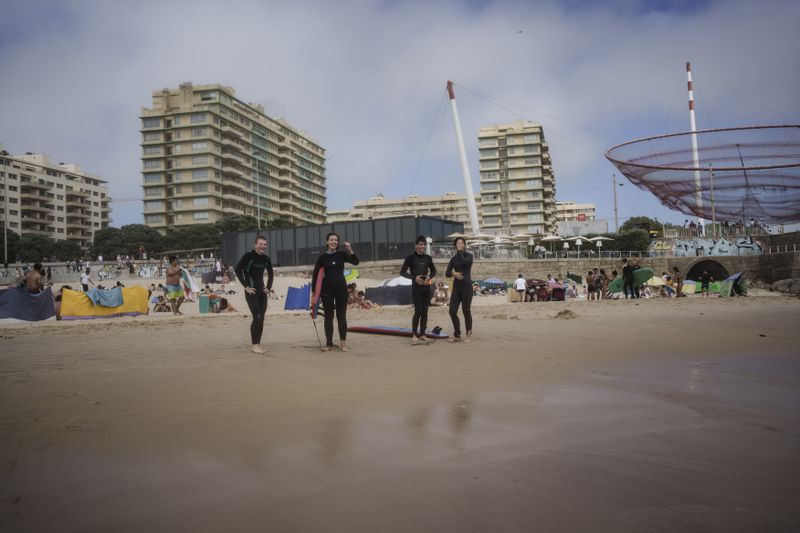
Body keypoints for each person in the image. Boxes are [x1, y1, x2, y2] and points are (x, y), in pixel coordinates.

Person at [311, 232, 359, 352]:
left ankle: (343, 343)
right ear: (327, 242)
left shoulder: (342, 254)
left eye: (336, 240)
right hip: (326, 290)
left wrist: (350, 249)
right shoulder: (322, 258)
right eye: (331, 240)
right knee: (328, 316)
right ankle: (329, 343)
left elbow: (356, 262)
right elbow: (316, 276)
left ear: (338, 242)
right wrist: (314, 293)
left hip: (341, 290)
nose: (334, 242)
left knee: (341, 316)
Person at [235, 235, 274, 354]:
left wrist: (268, 287)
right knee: (257, 316)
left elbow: (271, 274)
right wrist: (246, 286)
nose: (262, 246)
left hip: (262, 292)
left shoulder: (266, 259)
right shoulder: (248, 256)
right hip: (251, 292)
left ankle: (258, 343)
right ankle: (254, 345)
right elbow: (238, 270)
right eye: (260, 244)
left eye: (264, 244)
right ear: (255, 245)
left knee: (261, 318)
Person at [400, 235, 436, 345]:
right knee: (418, 310)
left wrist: (429, 278)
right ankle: (414, 334)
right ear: (416, 245)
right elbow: (402, 272)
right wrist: (414, 278)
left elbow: (434, 271)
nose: (422, 246)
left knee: (425, 311)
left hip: (426, 287)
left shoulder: (428, 258)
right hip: (416, 288)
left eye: (424, 244)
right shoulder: (410, 258)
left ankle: (423, 334)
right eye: (420, 244)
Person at [445, 237, 474, 342]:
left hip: (467, 287)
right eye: (458, 243)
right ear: (455, 245)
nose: (460, 244)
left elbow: (465, 262)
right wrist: (454, 273)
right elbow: (447, 273)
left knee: (466, 311)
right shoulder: (453, 259)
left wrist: (461, 252)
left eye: (462, 243)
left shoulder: (469, 256)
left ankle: (468, 333)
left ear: (464, 245)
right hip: (457, 288)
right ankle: (457, 334)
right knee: (452, 311)